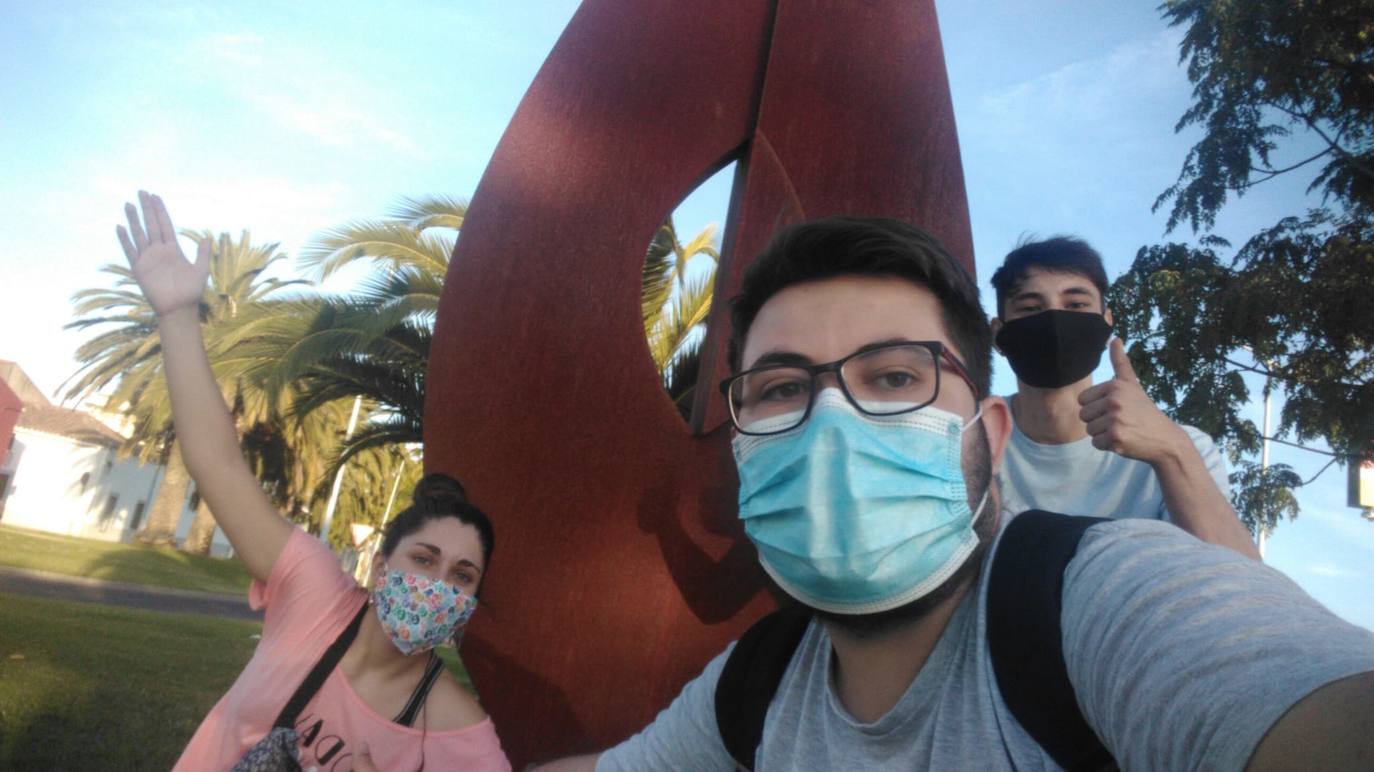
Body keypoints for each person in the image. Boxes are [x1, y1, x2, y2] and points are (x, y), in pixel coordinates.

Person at [519, 217, 1374, 770]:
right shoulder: (759, 686)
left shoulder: (1102, 590)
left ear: (986, 437)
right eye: (780, 389)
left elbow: (1268, 665)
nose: (833, 426)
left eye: (893, 376)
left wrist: (1173, 454)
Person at [116, 191, 511, 771]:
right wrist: (176, 314)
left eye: (461, 575)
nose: (438, 585)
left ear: (469, 605)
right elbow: (218, 465)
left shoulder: (462, 738)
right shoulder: (312, 592)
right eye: (424, 559)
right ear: (380, 566)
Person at [989, 237, 1259, 559]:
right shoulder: (971, 437)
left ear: (1106, 325)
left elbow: (1239, 588)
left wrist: (1172, 453)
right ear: (998, 334)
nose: (1054, 321)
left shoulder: (1184, 449)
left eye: (1076, 305)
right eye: (1031, 308)